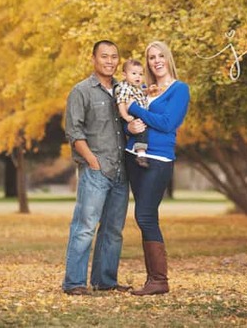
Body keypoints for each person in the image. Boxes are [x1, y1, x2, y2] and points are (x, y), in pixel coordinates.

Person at [62, 40, 138, 295]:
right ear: (93, 59)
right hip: (96, 170)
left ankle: (104, 281)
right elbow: (74, 131)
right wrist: (92, 161)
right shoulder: (81, 91)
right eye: (104, 56)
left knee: (113, 230)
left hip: (121, 171)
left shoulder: (124, 90)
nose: (109, 61)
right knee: (84, 227)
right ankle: (74, 283)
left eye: (114, 57)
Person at [124, 41, 190, 296]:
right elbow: (127, 119)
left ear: (168, 58)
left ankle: (159, 280)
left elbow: (167, 123)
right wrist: (129, 126)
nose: (156, 60)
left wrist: (135, 109)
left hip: (159, 159)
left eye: (161, 55)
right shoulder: (143, 88)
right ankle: (153, 279)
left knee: (144, 214)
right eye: (151, 57)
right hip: (133, 156)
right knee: (146, 217)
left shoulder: (179, 90)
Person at [113, 59, 151, 168]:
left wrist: (148, 90)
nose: (137, 77)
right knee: (141, 129)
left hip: (138, 112)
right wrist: (125, 116)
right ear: (124, 74)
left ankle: (141, 152)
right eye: (134, 73)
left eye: (140, 74)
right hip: (131, 114)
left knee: (143, 129)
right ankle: (141, 154)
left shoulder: (136, 87)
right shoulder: (125, 88)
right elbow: (121, 102)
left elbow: (142, 92)